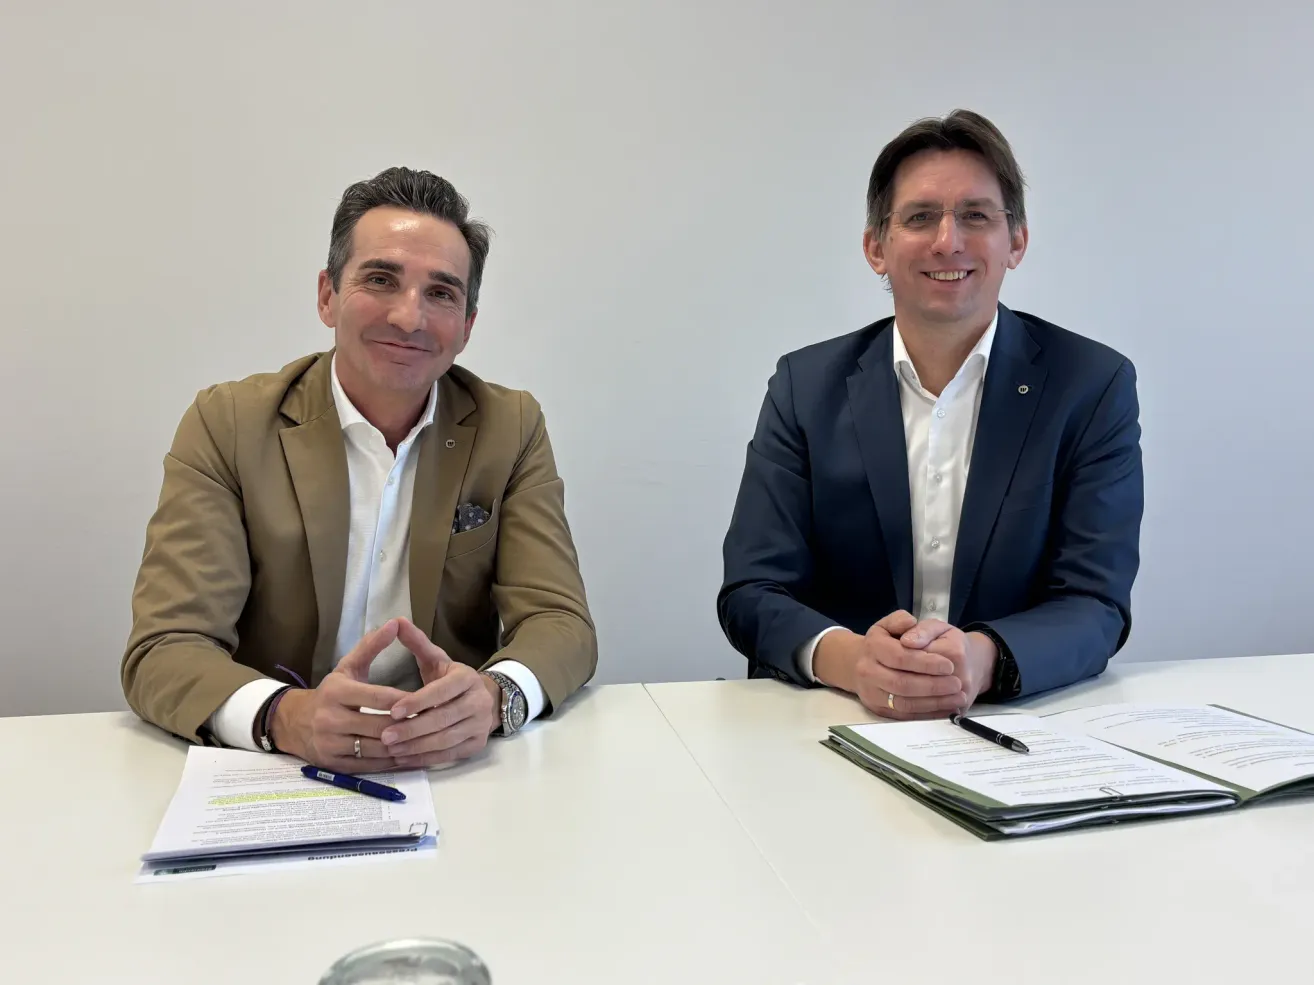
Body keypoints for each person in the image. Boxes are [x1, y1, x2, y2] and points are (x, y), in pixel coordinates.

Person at [123, 167, 596, 769]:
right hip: (276, 766)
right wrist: (287, 717)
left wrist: (493, 698)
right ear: (327, 295)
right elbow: (165, 647)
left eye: (442, 293)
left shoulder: (511, 426)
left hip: (450, 769)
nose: (409, 318)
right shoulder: (231, 424)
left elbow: (561, 623)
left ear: (467, 327)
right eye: (381, 279)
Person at [718, 110, 1143, 718]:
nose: (949, 241)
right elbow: (752, 590)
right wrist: (855, 660)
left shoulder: (1091, 385)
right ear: (875, 247)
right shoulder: (804, 386)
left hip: (1018, 723)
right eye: (920, 217)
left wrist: (982, 657)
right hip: (835, 717)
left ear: (1015, 241)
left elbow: (1096, 602)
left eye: (976, 215)